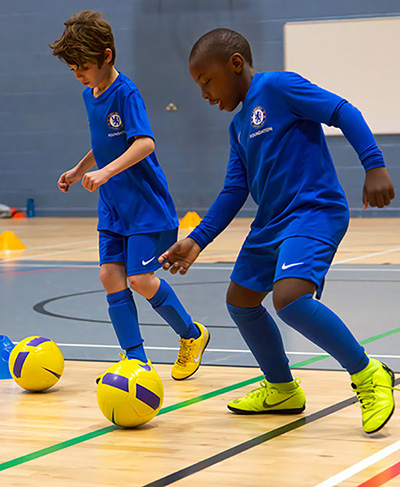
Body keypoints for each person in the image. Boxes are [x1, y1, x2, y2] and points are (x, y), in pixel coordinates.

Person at [159, 28, 397, 433]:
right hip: (271, 223)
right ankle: (282, 388)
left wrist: (374, 164)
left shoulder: (278, 86)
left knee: (290, 298)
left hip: (313, 212)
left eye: (207, 81)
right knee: (240, 301)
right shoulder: (238, 129)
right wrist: (197, 239)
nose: (204, 94)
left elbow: (342, 111)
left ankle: (368, 372)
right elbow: (235, 189)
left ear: (235, 64)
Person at [49, 10, 209, 380]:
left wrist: (104, 172)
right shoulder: (91, 94)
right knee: (110, 277)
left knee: (139, 279)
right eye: (73, 69)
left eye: (83, 67)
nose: (78, 75)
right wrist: (79, 169)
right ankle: (136, 359)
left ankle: (192, 335)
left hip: (145, 208)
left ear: (107, 56)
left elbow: (144, 143)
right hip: (113, 208)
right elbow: (104, 142)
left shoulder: (126, 93)